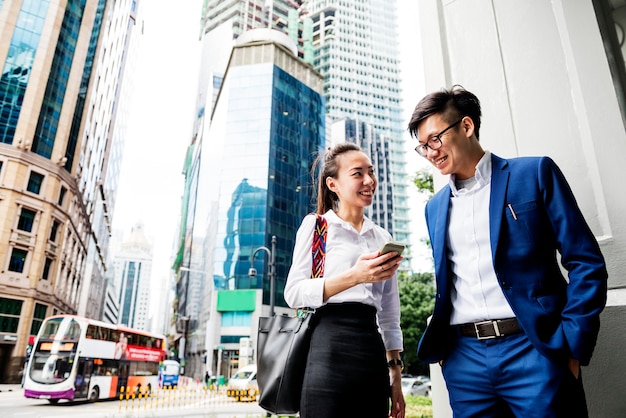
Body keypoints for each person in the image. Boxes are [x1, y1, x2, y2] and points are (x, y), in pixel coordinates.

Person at [407, 85, 608, 417]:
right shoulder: (435, 207)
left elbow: (586, 261)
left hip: (535, 351)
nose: (430, 152)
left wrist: (572, 343)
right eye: (422, 147)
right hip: (465, 360)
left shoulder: (533, 174)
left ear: (467, 126)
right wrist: (449, 356)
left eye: (435, 139)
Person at [284, 143, 406, 418]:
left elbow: (389, 314)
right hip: (326, 350)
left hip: (371, 352)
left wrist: (395, 375)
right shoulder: (317, 227)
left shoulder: (382, 237)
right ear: (333, 184)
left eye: (371, 173)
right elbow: (293, 293)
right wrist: (355, 276)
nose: (369, 181)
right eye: (358, 173)